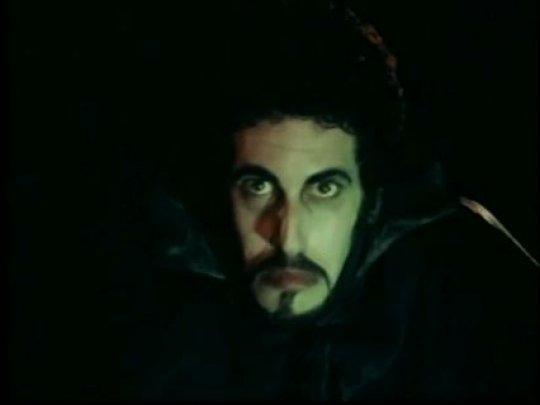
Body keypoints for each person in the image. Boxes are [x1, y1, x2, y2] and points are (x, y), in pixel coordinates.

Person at [112, 1, 538, 400]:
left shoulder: (474, 309)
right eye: (258, 187)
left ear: (371, 202)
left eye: (324, 189)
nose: (287, 237)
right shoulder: (148, 317)